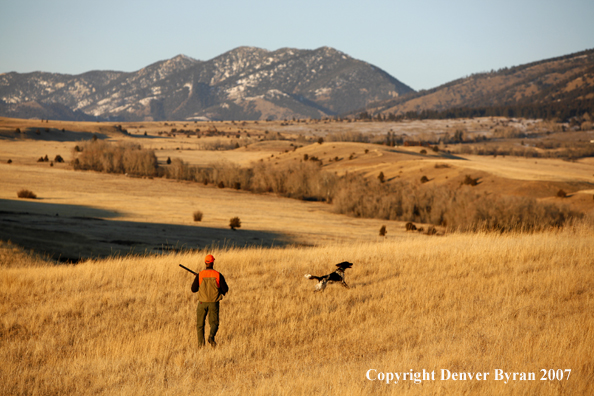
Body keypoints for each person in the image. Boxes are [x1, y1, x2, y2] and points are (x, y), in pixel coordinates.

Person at [191, 254, 229, 347]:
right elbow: (225, 289)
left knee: (200, 325)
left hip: (202, 303)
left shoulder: (200, 275)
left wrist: (200, 280)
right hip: (214, 303)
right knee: (214, 323)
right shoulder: (218, 275)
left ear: (205, 262)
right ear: (213, 262)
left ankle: (201, 346)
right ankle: (211, 337)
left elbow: (193, 289)